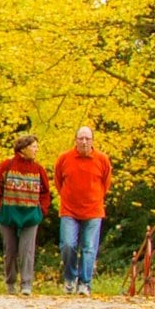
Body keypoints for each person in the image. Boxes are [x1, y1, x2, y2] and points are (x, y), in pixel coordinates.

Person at [0, 134, 53, 295]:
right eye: (33, 146)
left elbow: (45, 192)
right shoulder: (7, 166)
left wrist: (41, 210)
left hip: (30, 216)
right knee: (10, 250)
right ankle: (10, 283)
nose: (36, 149)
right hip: (8, 214)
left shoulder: (38, 169)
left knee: (27, 250)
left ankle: (26, 284)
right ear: (23, 149)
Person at [52, 125, 113, 295]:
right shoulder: (64, 158)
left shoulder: (102, 159)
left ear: (92, 141)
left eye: (87, 139)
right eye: (81, 138)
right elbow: (58, 181)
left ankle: (84, 283)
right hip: (69, 210)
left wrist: (95, 197)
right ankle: (70, 277)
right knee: (67, 245)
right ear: (75, 140)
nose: (84, 142)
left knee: (88, 247)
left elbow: (106, 183)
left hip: (93, 211)